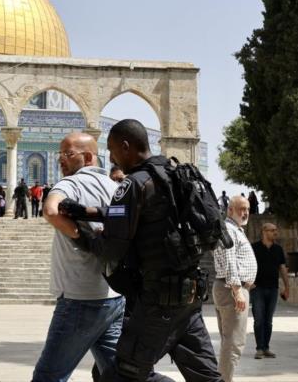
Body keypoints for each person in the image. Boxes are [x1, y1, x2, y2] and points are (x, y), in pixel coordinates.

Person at [72, 119, 222, 381]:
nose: (113, 158)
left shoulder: (133, 184)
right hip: (190, 297)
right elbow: (149, 215)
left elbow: (110, 249)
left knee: (122, 375)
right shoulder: (175, 174)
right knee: (207, 378)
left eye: (113, 150)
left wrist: (79, 232)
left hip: (158, 302)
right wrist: (90, 211)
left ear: (126, 146)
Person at [32, 132, 123, 381]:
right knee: (118, 375)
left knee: (49, 376)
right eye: (60, 154)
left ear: (88, 157)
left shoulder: (71, 184)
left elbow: (50, 211)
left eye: (68, 154)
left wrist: (82, 238)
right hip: (113, 298)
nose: (61, 159)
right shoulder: (116, 188)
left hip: (79, 298)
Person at [212, 195, 257, 381]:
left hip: (230, 287)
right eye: (241, 209)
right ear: (230, 210)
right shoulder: (229, 229)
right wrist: (238, 290)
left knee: (229, 341)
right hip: (231, 290)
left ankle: (223, 378)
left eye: (247, 209)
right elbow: (230, 261)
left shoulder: (235, 229)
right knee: (234, 343)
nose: (245, 213)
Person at [250, 222, 290, 359]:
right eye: (272, 230)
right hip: (257, 288)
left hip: (273, 288)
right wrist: (248, 283)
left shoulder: (278, 249)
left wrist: (287, 287)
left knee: (268, 320)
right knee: (259, 319)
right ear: (264, 231)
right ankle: (259, 348)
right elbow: (246, 265)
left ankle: (266, 347)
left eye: (275, 230)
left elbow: (283, 268)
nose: (275, 233)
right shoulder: (254, 247)